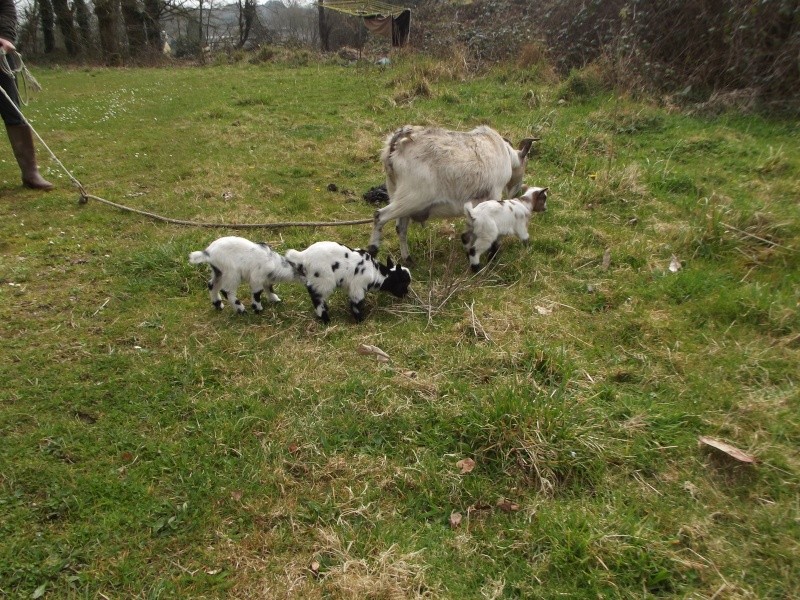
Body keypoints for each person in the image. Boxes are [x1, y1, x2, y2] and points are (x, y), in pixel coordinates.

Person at [0, 0, 52, 190]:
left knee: (12, 111)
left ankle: (30, 173)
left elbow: (6, 9)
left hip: (1, 55)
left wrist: (5, 37)